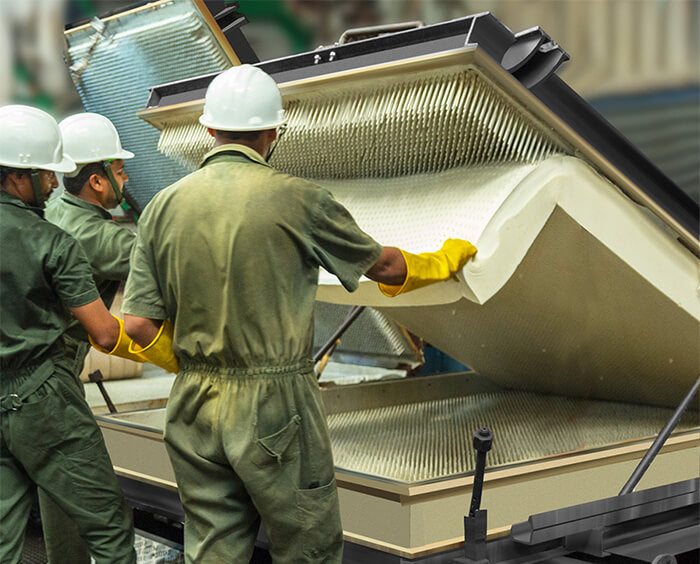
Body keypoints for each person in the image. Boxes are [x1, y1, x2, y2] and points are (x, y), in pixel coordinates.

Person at [121, 64, 477, 563]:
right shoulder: (298, 199)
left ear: (207, 129)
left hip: (193, 403)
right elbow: (387, 268)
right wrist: (442, 261)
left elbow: (138, 326)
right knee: (306, 545)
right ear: (273, 131)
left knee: (213, 545)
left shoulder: (161, 206)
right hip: (274, 404)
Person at [0, 104, 136, 563]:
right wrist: (147, 338)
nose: (56, 182)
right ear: (20, 174)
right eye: (46, 173)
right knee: (108, 528)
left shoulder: (50, 222)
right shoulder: (52, 241)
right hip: (42, 395)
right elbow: (102, 334)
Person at [41, 112, 137, 564]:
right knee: (84, 498)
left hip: (30, 369)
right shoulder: (95, 236)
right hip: (52, 375)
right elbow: (163, 259)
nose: (125, 177)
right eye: (119, 170)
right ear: (98, 182)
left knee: (45, 484)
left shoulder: (55, 209)